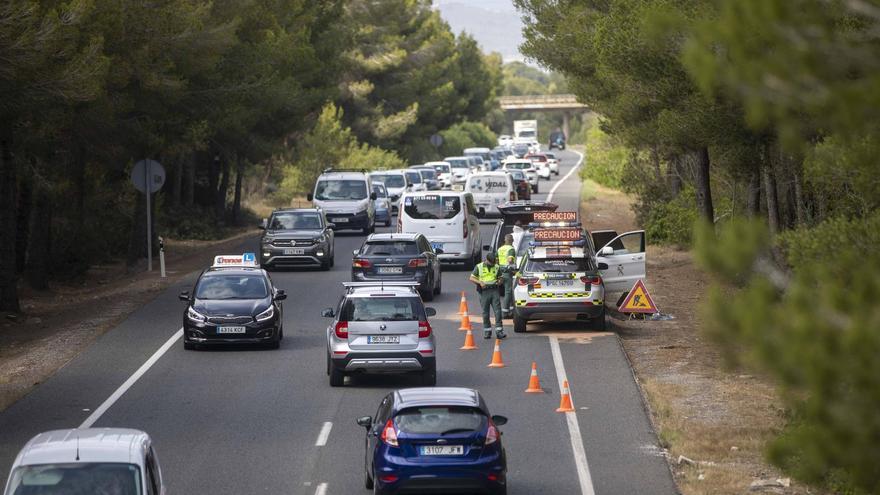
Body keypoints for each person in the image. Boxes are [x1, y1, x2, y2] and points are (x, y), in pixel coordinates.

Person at [468, 252, 506, 339]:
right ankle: (487, 331)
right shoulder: (479, 267)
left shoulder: (496, 266)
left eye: (494, 263)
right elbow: (472, 277)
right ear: (487, 260)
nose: (493, 264)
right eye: (491, 263)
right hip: (484, 291)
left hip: (494, 290)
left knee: (498, 311)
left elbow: (500, 277)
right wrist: (480, 282)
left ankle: (499, 331)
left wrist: (500, 281)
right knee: (485, 312)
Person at [497, 234, 517, 316]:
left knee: (510, 291)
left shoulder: (500, 249)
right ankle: (505, 312)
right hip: (508, 273)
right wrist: (512, 266)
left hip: (500, 272)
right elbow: (510, 260)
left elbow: (496, 261)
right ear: (512, 241)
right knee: (508, 292)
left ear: (505, 240)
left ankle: (512, 310)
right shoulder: (511, 249)